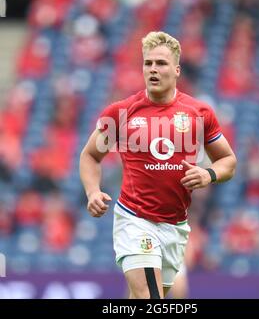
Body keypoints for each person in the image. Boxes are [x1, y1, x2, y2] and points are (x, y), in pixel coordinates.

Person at [79, 31, 237, 299]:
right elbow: (90, 155)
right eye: (148, 63)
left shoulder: (199, 113)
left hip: (175, 226)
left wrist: (209, 174)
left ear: (176, 70)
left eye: (161, 63)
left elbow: (228, 161)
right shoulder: (121, 113)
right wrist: (93, 191)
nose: (153, 69)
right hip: (135, 219)